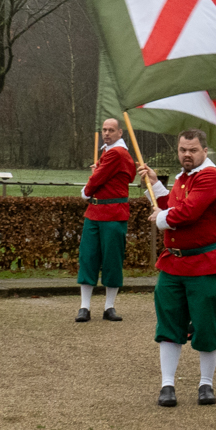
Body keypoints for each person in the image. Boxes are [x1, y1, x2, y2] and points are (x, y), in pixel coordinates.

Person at [136, 129, 216, 408]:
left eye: (193, 150)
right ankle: (167, 385)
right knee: (169, 324)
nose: (187, 154)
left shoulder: (210, 176)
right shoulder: (184, 177)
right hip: (173, 264)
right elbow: (173, 206)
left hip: (204, 264)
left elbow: (188, 212)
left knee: (206, 326)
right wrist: (156, 185)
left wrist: (161, 218)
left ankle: (205, 384)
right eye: (182, 149)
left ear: (205, 151)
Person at [76, 118, 136, 323]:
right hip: (95, 212)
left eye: (111, 130)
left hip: (113, 213)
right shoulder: (110, 152)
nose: (106, 133)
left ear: (120, 133)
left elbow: (99, 178)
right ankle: (85, 307)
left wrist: (86, 191)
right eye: (104, 129)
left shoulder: (117, 153)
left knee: (112, 260)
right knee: (88, 257)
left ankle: (108, 307)